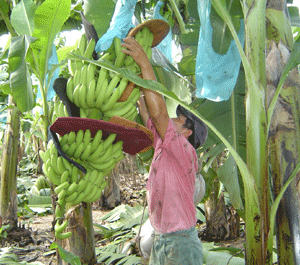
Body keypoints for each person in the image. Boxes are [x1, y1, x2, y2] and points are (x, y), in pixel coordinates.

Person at [121, 34, 207, 265]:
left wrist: (144, 63)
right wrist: (133, 81)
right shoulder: (163, 143)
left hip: (180, 243)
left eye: (178, 119)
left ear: (187, 133)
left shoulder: (184, 150)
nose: (171, 118)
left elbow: (158, 114)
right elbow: (149, 112)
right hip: (163, 239)